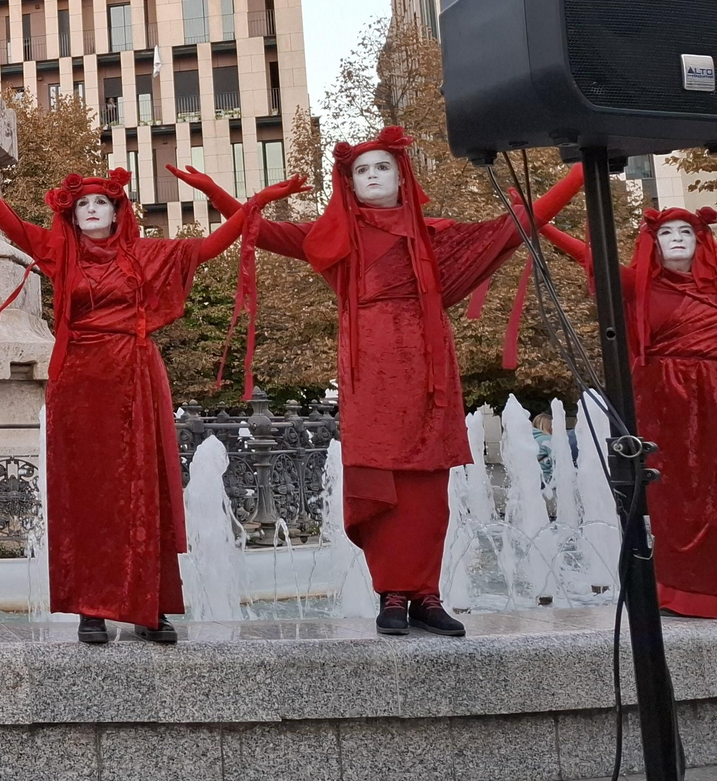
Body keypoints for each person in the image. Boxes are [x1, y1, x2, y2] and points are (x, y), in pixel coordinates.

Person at [166, 126, 583, 637]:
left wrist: (587, 164)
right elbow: (263, 231)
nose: (372, 175)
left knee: (428, 488)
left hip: (428, 370)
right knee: (377, 482)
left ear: (402, 176)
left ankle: (427, 596)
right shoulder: (335, 236)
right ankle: (391, 593)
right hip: (370, 372)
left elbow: (519, 222)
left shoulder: (436, 236)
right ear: (350, 184)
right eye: (361, 170)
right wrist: (214, 191)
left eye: (382, 166)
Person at [0, 144, 304, 644]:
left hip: (133, 375)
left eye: (100, 203)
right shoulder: (58, 251)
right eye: (82, 203)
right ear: (73, 213)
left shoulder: (146, 255)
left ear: (116, 211)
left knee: (139, 488)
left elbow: (213, 245)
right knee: (88, 492)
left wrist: (255, 200)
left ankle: (147, 605)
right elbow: (10, 226)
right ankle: (91, 605)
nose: (91, 209)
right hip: (80, 380)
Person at [539, 206, 717, 617]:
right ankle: (683, 592)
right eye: (666, 232)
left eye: (685, 232)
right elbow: (591, 258)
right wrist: (541, 223)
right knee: (674, 496)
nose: (676, 238)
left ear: (700, 241)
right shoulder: (640, 285)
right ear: (653, 243)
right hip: (668, 400)